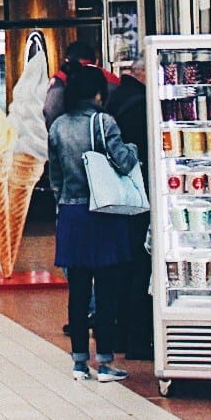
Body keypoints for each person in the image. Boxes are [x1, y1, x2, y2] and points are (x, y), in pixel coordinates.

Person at [46, 65, 139, 382]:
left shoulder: (58, 126)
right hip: (104, 212)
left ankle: (79, 363)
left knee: (78, 291)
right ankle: (105, 362)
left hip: (71, 214)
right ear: (97, 92)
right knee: (107, 291)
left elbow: (55, 176)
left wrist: (64, 202)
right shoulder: (104, 122)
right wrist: (133, 149)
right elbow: (124, 162)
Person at [105, 61, 152, 357]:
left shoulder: (114, 101)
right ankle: (138, 338)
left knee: (120, 268)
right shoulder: (141, 105)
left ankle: (118, 335)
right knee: (139, 265)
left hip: (115, 197)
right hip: (138, 196)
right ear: (142, 74)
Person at [43, 38, 111, 127]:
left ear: (67, 60)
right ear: (96, 60)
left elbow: (51, 109)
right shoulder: (112, 78)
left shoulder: (60, 79)